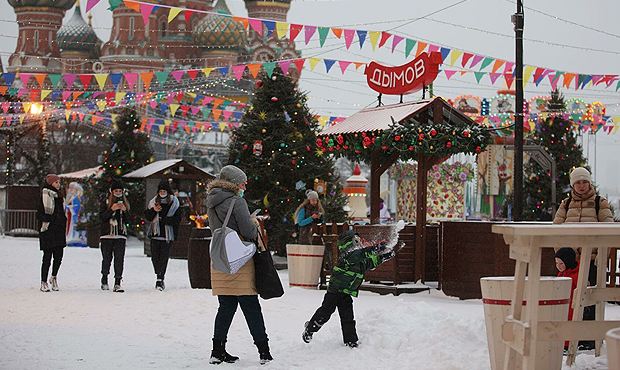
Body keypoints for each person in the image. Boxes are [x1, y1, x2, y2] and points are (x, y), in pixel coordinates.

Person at [206, 165, 273, 365]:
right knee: (251, 306)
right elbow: (249, 231)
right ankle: (264, 352)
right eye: (242, 181)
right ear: (234, 183)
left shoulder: (211, 201)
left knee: (225, 307)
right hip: (240, 259)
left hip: (220, 259)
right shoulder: (237, 201)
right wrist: (254, 222)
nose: (245, 184)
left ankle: (217, 351)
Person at [302, 230, 397, 347]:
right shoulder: (349, 256)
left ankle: (350, 340)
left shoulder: (359, 259)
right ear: (349, 244)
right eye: (356, 241)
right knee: (326, 312)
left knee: (348, 317)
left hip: (346, 292)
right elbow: (363, 253)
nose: (360, 242)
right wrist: (379, 247)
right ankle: (310, 329)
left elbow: (372, 261)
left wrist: (386, 255)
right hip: (335, 290)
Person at [553, 167, 614, 285]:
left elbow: (608, 232)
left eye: (585, 182)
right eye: (578, 183)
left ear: (589, 183)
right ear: (573, 185)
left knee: (591, 298)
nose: (582, 186)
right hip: (570, 262)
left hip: (592, 261)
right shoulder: (566, 204)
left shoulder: (599, 203)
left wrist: (600, 259)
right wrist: (561, 256)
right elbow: (556, 231)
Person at [555, 247, 595, 350]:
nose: (558, 266)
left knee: (571, 323)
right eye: (556, 263)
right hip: (564, 303)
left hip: (573, 305)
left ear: (568, 261)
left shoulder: (577, 275)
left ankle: (569, 344)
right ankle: (564, 343)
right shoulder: (562, 273)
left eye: (561, 263)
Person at [145, 180, 180, 291]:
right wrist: (154, 210)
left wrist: (165, 220)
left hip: (167, 235)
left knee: (164, 257)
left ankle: (160, 279)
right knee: (155, 258)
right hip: (155, 234)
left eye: (164, 190)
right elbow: (148, 217)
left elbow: (177, 218)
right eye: (160, 191)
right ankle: (158, 273)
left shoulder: (174, 202)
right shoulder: (153, 202)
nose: (162, 193)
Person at [37, 174, 67, 292]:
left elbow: (62, 211)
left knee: (59, 257)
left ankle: (54, 277)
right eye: (56, 182)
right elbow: (39, 213)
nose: (58, 184)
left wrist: (63, 220)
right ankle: (43, 281)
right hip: (48, 230)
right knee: (47, 257)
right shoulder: (44, 195)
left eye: (59, 182)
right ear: (50, 183)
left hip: (59, 230)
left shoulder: (60, 196)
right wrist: (48, 219)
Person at [99, 180, 130, 292]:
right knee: (106, 258)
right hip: (107, 235)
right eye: (116, 191)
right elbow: (102, 217)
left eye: (120, 191)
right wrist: (111, 209)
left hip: (120, 235)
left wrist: (124, 211)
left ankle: (117, 282)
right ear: (111, 192)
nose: (118, 193)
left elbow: (128, 220)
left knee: (119, 259)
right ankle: (104, 279)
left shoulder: (125, 203)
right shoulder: (105, 201)